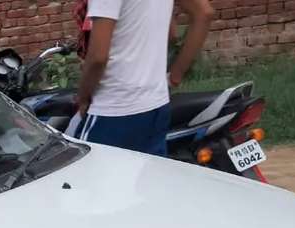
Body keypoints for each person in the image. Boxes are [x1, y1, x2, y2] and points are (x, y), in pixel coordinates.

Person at [75, 0, 214, 156]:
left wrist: (83, 97)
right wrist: (176, 75)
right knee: (147, 178)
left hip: (114, 108)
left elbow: (98, 58)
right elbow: (201, 15)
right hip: (156, 104)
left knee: (87, 175)